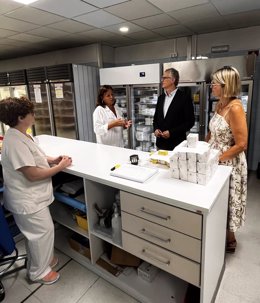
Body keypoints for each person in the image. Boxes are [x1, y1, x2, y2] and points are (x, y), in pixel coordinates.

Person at [0, 97, 72, 284]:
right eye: (31, 113)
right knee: (42, 233)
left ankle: (42, 261)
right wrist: (60, 166)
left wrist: (54, 159)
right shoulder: (14, 141)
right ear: (21, 117)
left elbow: (36, 156)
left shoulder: (21, 133)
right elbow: (31, 174)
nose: (34, 115)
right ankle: (38, 272)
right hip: (26, 200)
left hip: (31, 198)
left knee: (37, 234)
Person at [206, 66, 248, 253]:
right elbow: (212, 132)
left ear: (226, 85)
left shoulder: (236, 108)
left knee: (229, 200)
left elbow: (241, 144)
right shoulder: (220, 105)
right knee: (216, 200)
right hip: (215, 158)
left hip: (229, 163)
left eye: (215, 83)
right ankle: (216, 232)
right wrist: (203, 148)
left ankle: (230, 238)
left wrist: (217, 158)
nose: (211, 86)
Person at [153, 68, 195, 150]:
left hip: (177, 145)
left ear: (173, 80)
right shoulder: (161, 98)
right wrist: (156, 129)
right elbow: (155, 119)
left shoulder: (184, 98)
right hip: (160, 145)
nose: (162, 80)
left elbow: (190, 122)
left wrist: (171, 133)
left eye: (165, 78)